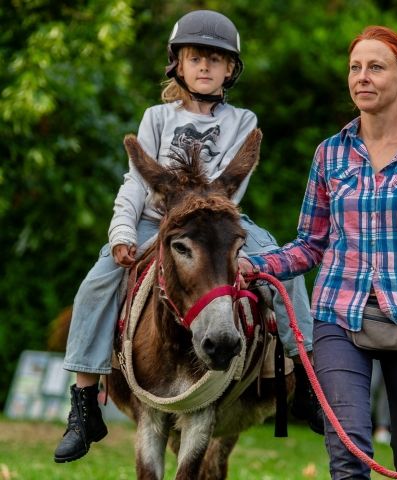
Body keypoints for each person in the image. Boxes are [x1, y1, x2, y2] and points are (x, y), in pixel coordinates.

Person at [54, 10, 320, 464]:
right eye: (195, 58)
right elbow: (137, 181)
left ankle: (306, 376)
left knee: (282, 265)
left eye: (216, 61)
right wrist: (121, 232)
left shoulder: (243, 119)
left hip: (216, 221)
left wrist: (210, 214)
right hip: (155, 219)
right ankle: (83, 404)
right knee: (96, 281)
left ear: (230, 70)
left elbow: (231, 185)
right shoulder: (157, 116)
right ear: (177, 64)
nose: (204, 67)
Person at [239, 25, 397, 479]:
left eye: (375, 67)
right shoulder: (329, 154)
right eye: (355, 68)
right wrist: (254, 265)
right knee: (349, 457)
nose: (362, 77)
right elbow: (309, 245)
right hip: (338, 316)